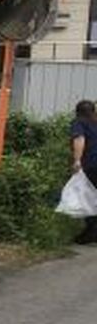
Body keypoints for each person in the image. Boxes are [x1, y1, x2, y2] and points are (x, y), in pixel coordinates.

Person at [70, 99, 97, 244]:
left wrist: (77, 160)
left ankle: (92, 232)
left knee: (89, 198)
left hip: (92, 165)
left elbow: (79, 139)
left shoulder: (79, 122)